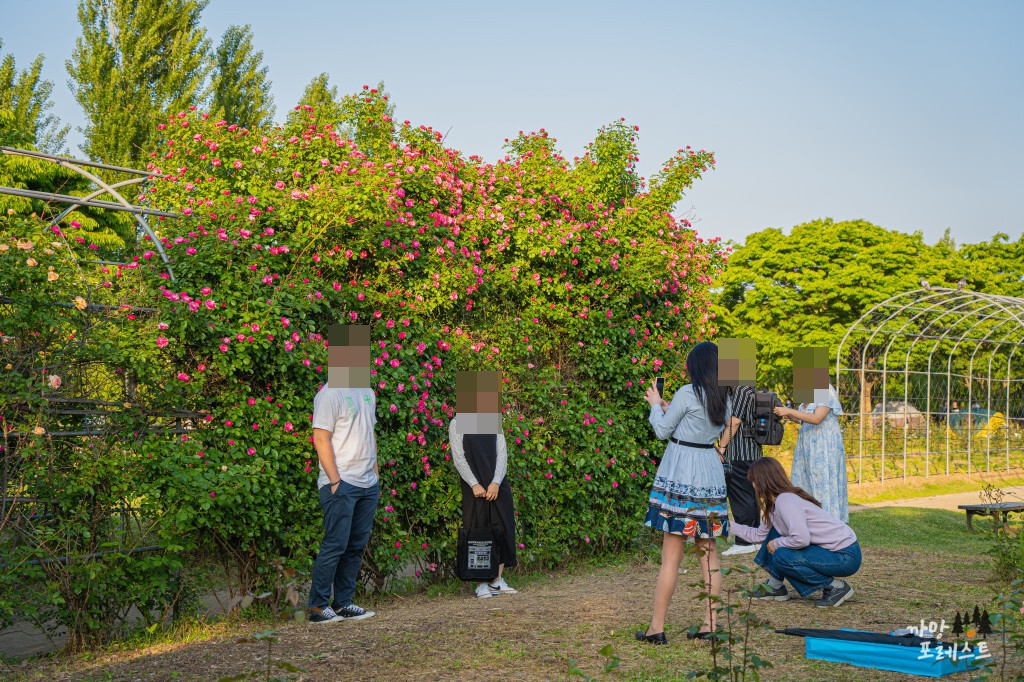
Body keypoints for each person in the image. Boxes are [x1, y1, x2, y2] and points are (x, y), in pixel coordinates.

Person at [636, 341, 742, 645]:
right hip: (709, 470)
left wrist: (655, 405)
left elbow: (662, 431)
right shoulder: (724, 397)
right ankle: (711, 625)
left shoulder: (687, 392)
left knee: (671, 555)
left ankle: (656, 628)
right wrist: (668, 410)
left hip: (682, 470)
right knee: (708, 552)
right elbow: (702, 424)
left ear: (696, 366)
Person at [732, 457, 861, 608]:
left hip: (845, 556)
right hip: (831, 552)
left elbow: (801, 539)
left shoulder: (786, 500)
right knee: (775, 534)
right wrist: (727, 525)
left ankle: (836, 587)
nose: (752, 485)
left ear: (762, 481)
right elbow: (758, 536)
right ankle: (775, 586)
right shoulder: (774, 505)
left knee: (782, 554)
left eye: (753, 481)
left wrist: (778, 543)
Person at [307, 381, 379, 623]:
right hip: (341, 482)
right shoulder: (330, 394)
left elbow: (370, 434)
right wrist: (335, 480)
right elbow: (320, 438)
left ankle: (343, 604)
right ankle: (318, 608)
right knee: (335, 545)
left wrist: (375, 474)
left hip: (367, 483)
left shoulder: (367, 391)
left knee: (355, 546)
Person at [449, 416, 518, 599]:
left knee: (503, 528)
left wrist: (496, 482)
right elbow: (459, 458)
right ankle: (481, 584)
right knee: (477, 532)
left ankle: (496, 581)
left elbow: (502, 453)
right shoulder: (457, 423)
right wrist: (474, 484)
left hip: (498, 485)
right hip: (474, 488)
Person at [774, 383, 848, 522]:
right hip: (807, 445)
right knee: (805, 483)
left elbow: (816, 418)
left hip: (823, 445)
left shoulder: (824, 389)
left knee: (821, 483)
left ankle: (827, 522)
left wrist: (790, 411)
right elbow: (802, 418)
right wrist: (787, 412)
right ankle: (809, 521)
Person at [721, 385, 763, 557]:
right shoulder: (749, 388)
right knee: (750, 496)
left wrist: (721, 448)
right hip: (751, 453)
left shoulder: (740, 389)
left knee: (741, 497)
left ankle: (744, 542)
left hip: (740, 453)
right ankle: (753, 538)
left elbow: (735, 421)